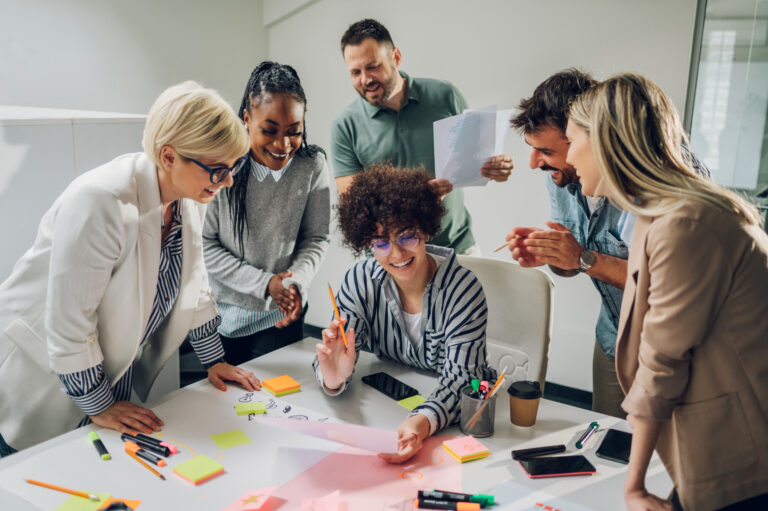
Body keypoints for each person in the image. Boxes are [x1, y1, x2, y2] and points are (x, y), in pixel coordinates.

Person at [0, 81, 261, 456]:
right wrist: (100, 404)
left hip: (104, 377)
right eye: (218, 170)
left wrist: (215, 360)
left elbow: (195, 284)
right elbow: (70, 322)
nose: (228, 180)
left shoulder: (189, 199)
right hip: (42, 380)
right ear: (169, 157)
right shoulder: (100, 201)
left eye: (233, 167)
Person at [568, 73, 768, 511]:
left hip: (746, 458)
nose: (568, 158)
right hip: (713, 442)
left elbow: (661, 364)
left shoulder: (685, 223)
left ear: (603, 142)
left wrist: (634, 487)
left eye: (571, 141)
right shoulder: (652, 216)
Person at [506, 70, 709, 418]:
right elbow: (575, 261)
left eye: (546, 150)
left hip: (676, 347)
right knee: (606, 441)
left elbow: (664, 286)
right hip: (613, 336)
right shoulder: (561, 176)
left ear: (588, 136)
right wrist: (555, 254)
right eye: (531, 149)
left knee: (666, 455)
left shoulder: (666, 186)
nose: (533, 163)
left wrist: (584, 258)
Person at [313, 164, 496, 463]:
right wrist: (333, 379)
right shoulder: (360, 280)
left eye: (407, 237)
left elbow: (462, 381)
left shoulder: (463, 290)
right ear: (367, 243)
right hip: (382, 409)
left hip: (453, 429)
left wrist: (419, 423)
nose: (396, 254)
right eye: (381, 243)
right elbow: (337, 356)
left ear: (425, 229)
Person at [331, 18, 514, 255]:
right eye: (355, 72)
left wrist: (495, 167)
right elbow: (354, 204)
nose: (365, 79)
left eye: (372, 66)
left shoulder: (445, 95)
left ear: (396, 57)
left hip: (456, 247)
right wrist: (417, 195)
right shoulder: (344, 125)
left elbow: (473, 159)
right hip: (389, 256)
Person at [203, 62, 330, 365]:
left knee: (279, 403)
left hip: (282, 313)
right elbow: (205, 245)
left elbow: (317, 237)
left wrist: (293, 284)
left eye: (294, 132)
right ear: (247, 119)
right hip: (224, 318)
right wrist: (265, 284)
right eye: (269, 130)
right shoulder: (222, 167)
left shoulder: (312, 166)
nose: (283, 145)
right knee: (227, 406)